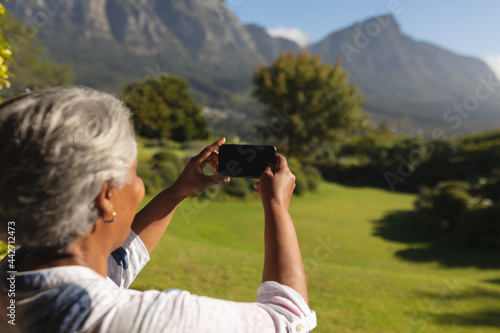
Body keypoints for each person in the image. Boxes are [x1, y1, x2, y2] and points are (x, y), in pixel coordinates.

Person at [0, 86, 317, 332]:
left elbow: (110, 268)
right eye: (134, 174)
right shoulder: (138, 321)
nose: (140, 187)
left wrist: (178, 192)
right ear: (106, 196)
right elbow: (289, 321)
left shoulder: (15, 273)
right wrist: (277, 207)